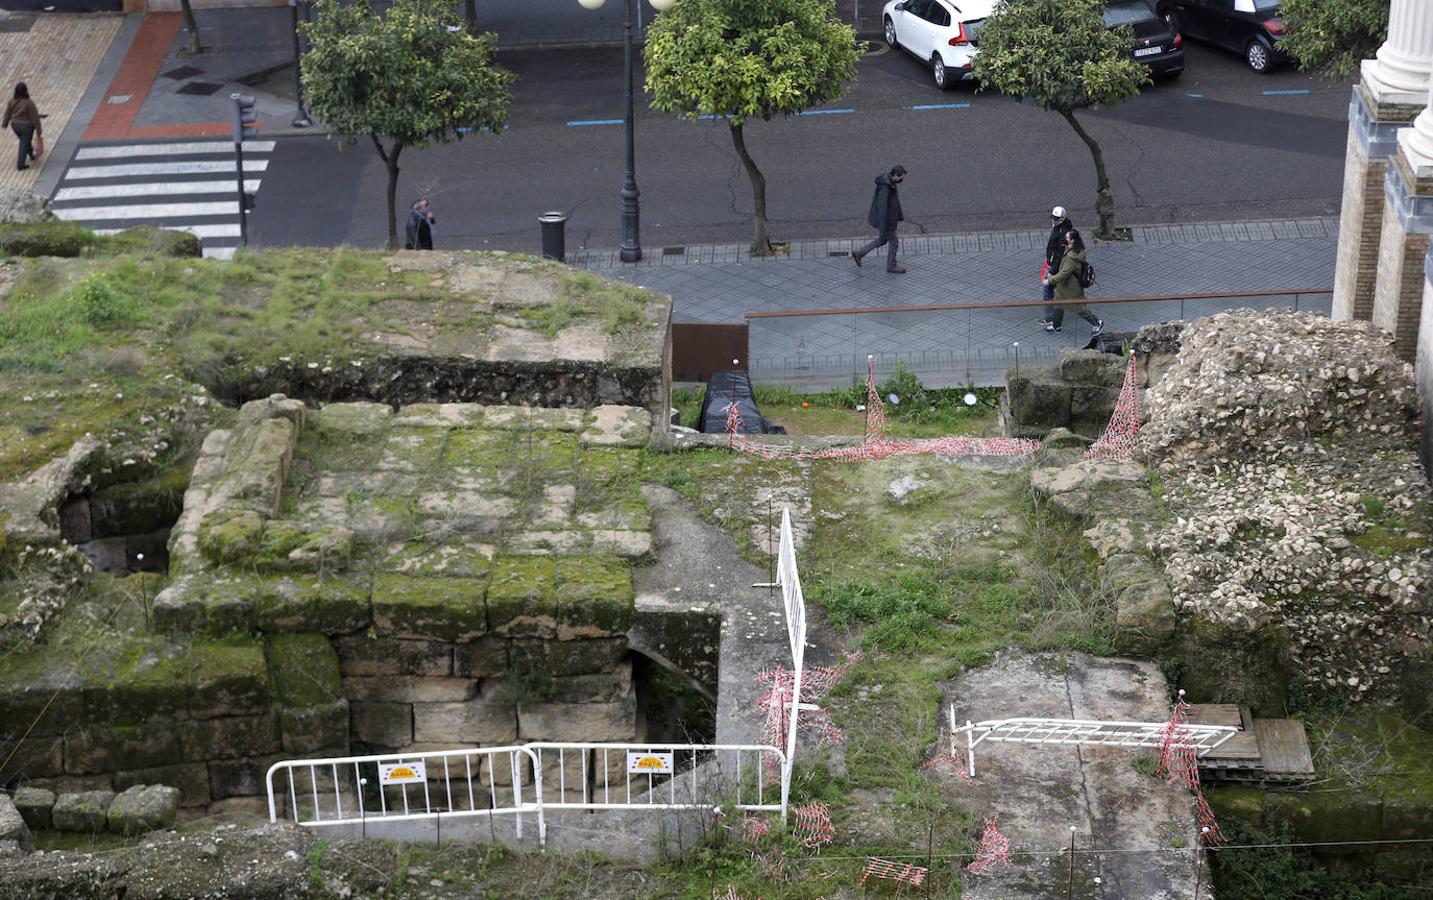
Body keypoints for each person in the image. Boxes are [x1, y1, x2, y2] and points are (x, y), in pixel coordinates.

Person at [1043, 229, 1103, 335]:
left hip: (1071, 289)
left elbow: (1064, 273)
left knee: (1078, 309)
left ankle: (1097, 323)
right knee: (1059, 305)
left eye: (1067, 238)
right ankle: (1056, 326)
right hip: (1065, 287)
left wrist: (1050, 280)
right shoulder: (1074, 250)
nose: (1065, 239)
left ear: (1072, 241)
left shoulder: (1072, 258)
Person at [852, 165, 907, 273]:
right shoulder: (886, 187)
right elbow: (882, 207)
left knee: (882, 240)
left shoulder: (890, 183)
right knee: (894, 242)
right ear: (895, 175)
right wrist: (883, 225)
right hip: (887, 222)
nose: (902, 180)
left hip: (888, 220)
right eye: (901, 177)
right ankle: (891, 265)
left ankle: (859, 253)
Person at [1041, 205, 1073, 325]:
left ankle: (1050, 317)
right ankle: (1055, 319)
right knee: (1059, 291)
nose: (1054, 220)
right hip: (1056, 265)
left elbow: (1059, 254)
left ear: (1063, 218)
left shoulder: (1062, 233)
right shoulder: (1060, 228)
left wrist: (1052, 271)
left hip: (1057, 267)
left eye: (1056, 218)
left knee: (1048, 290)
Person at [3, 83, 42, 172]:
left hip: (15, 125)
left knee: (25, 141)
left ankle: (32, 155)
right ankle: (21, 164)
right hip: (27, 127)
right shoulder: (29, 103)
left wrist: (5, 123)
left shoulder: (11, 101)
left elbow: (7, 113)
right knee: (24, 143)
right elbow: (34, 117)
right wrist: (39, 131)